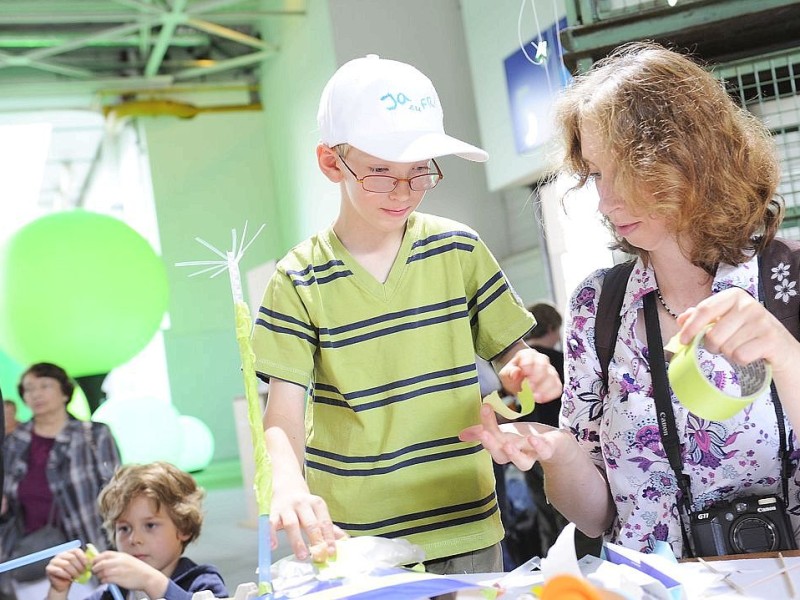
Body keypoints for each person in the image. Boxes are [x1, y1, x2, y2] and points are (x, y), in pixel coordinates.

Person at [460, 41, 800, 559]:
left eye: (629, 169)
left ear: (696, 159)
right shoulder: (599, 305)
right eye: (596, 173)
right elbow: (597, 514)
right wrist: (556, 454)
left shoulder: (787, 278)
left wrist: (784, 354)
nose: (606, 199)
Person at [252, 54, 562, 575]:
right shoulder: (298, 278)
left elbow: (513, 354)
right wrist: (287, 482)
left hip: (463, 514)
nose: (403, 191)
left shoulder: (458, 249)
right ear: (332, 163)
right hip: (354, 534)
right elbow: (281, 414)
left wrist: (528, 368)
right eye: (379, 172)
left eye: (419, 173)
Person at [0, 363, 121, 600]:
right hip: (30, 555)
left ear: (65, 392)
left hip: (88, 548)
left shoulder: (94, 435)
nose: (36, 394)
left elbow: (117, 493)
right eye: (29, 388)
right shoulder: (14, 442)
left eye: (45, 386)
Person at [45, 462, 227, 600]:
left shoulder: (203, 582)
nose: (134, 539)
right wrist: (58, 592)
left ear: (184, 527)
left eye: (150, 525)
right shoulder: (110, 593)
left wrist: (151, 582)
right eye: (124, 528)